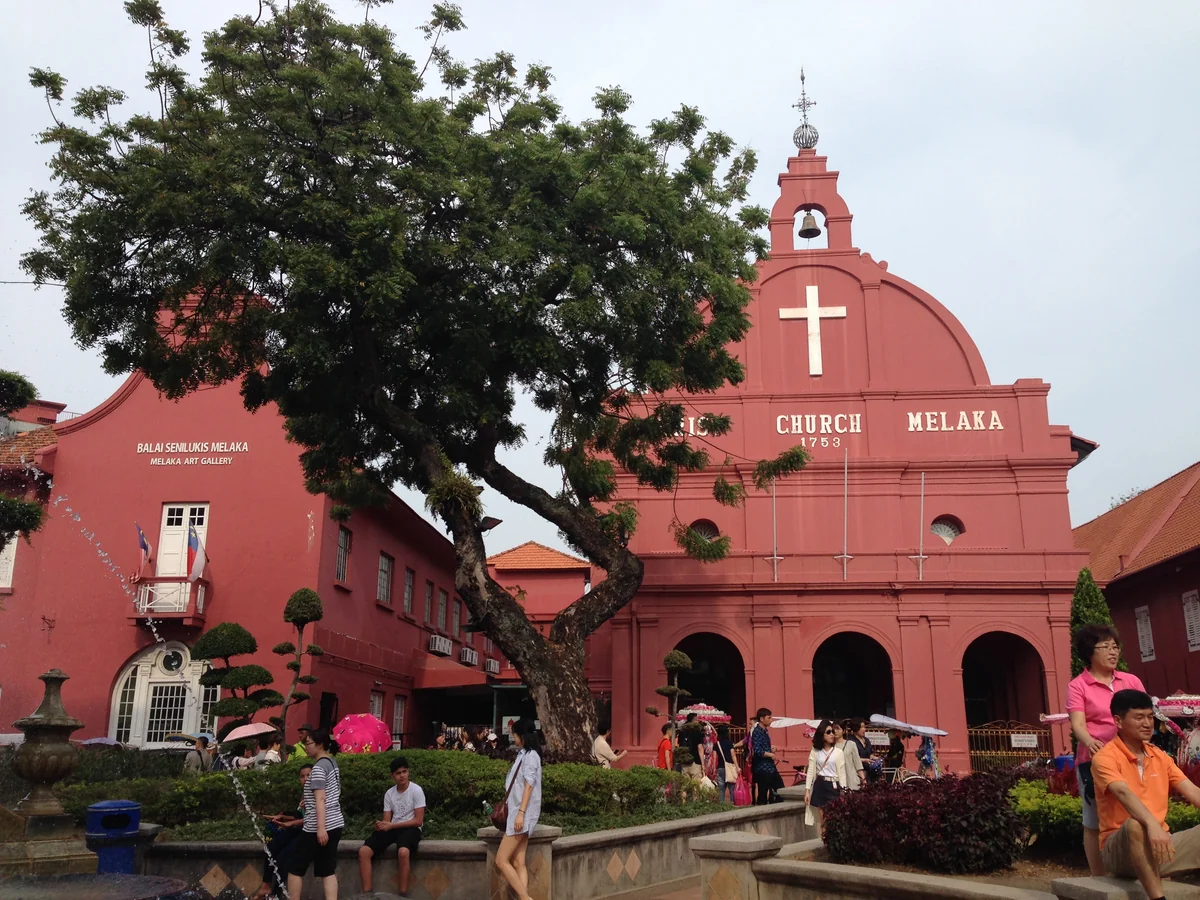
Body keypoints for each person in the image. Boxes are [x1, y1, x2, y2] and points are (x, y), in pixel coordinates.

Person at [1092, 689, 1200, 899]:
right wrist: (1151, 824)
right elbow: (1123, 793)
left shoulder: (1159, 756)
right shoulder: (1105, 758)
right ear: (1119, 721)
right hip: (1119, 852)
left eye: (1150, 717)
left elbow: (1193, 791)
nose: (1148, 723)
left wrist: (1157, 830)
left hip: (1160, 844)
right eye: (1139, 717)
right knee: (1135, 825)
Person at [1067, 623, 1147, 875]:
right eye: (1106, 647)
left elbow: (1146, 715)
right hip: (1095, 759)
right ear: (1090, 652)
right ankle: (1098, 875)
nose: (1114, 652)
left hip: (1132, 757)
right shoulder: (1078, 685)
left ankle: (1136, 868)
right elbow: (1078, 723)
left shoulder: (1131, 680)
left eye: (1116, 647)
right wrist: (1090, 742)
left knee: (1136, 813)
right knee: (1093, 821)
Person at [286, 727, 344, 900]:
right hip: (336, 823)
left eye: (308, 743)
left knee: (295, 868)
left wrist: (320, 828)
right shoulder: (332, 762)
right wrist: (309, 800)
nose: (306, 747)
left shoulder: (318, 768)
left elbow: (321, 799)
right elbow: (328, 793)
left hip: (317, 827)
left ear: (319, 744)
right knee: (327, 870)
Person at [358, 755, 426, 896]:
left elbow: (418, 821)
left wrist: (391, 826)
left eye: (404, 772)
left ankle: (402, 894)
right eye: (398, 773)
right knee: (363, 851)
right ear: (392, 775)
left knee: (403, 852)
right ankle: (367, 894)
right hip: (393, 828)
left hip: (411, 828)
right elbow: (387, 821)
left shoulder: (416, 790)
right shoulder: (389, 793)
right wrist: (380, 826)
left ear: (408, 772)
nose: (402, 776)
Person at [495, 719, 543, 900]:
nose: (513, 737)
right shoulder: (525, 754)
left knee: (501, 860)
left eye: (514, 734)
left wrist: (521, 814)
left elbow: (529, 785)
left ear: (522, 736)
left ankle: (525, 898)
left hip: (521, 813)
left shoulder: (530, 756)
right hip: (519, 812)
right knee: (518, 862)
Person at [252, 763, 312, 900]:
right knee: (271, 848)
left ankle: (275, 894)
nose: (306, 779)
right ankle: (265, 885)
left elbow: (313, 819)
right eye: (302, 776)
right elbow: (299, 815)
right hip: (298, 829)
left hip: (309, 833)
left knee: (284, 857)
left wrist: (289, 823)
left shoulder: (317, 793)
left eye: (309, 775)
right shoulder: (304, 794)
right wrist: (282, 817)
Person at [804, 719, 847, 830]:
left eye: (832, 731)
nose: (832, 734)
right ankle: (825, 842)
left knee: (834, 817)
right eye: (828, 732)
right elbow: (810, 771)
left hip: (834, 785)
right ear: (822, 734)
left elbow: (842, 773)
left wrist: (844, 791)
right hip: (820, 785)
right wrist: (807, 791)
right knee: (823, 819)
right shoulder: (815, 751)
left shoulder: (838, 752)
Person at [749, 708, 782, 805]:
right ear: (762, 719)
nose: (771, 720)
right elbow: (758, 751)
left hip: (770, 767)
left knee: (781, 791)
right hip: (762, 769)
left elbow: (762, 747)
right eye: (769, 718)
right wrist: (770, 754)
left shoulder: (765, 731)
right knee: (763, 796)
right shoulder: (757, 732)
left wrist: (771, 748)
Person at [834, 720, 866, 791]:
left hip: (851, 780)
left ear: (843, 731)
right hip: (837, 781)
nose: (835, 731)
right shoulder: (831, 747)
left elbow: (858, 764)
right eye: (833, 729)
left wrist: (863, 780)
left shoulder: (851, 744)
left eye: (838, 728)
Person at [713, 724, 738, 803]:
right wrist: (737, 767)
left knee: (721, 788)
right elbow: (733, 755)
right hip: (729, 767)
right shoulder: (730, 743)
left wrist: (714, 768)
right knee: (732, 788)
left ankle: (721, 804)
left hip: (720, 768)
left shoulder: (716, 744)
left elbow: (714, 757)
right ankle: (732, 802)